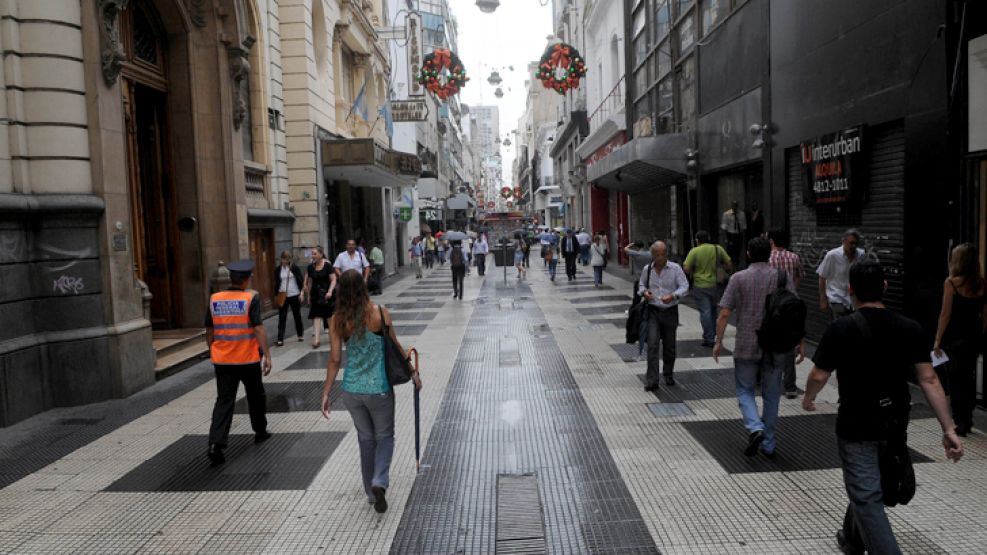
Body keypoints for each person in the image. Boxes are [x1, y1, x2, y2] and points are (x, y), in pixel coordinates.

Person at [803, 260, 964, 554]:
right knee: (870, 484)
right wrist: (948, 428)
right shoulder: (910, 328)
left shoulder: (840, 328)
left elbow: (818, 375)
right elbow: (929, 379)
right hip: (895, 421)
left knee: (866, 495)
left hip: (856, 423)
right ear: (885, 288)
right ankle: (853, 539)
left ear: (850, 290)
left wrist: (808, 398)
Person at [320, 270, 422, 514]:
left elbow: (334, 359)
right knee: (385, 436)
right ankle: (380, 481)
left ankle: (370, 492)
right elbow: (396, 346)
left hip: (352, 391)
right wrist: (413, 373)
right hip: (380, 390)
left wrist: (326, 393)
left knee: (365, 439)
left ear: (341, 292)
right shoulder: (380, 313)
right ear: (363, 288)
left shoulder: (336, 320)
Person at [714, 237, 804, 458]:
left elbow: (725, 312)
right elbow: (796, 312)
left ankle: (755, 427)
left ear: (748, 254)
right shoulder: (782, 277)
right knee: (772, 394)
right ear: (769, 254)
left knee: (744, 389)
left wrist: (718, 341)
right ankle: (769, 444)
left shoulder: (738, 278)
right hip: (776, 345)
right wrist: (800, 341)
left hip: (746, 343)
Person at [204, 260, 272, 466]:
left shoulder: (215, 299)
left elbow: (209, 329)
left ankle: (216, 444)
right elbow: (258, 328)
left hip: (223, 360)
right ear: (246, 279)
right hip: (247, 358)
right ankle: (260, 431)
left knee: (224, 400)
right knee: (256, 395)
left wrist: (212, 349)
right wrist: (267, 355)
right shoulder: (251, 297)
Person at [933, 243, 987, 437]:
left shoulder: (952, 283)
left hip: (954, 338)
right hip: (973, 337)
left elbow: (945, 314)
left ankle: (960, 421)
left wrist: (937, 340)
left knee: (955, 379)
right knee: (969, 377)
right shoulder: (981, 283)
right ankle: (969, 417)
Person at [639, 241, 689, 391]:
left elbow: (685, 286)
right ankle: (652, 380)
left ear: (666, 254)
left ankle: (668, 374)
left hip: (670, 311)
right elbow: (641, 285)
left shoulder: (675, 269)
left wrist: (673, 296)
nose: (660, 258)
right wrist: (644, 293)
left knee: (669, 346)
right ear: (652, 255)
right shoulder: (647, 269)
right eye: (657, 255)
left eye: (663, 254)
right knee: (653, 345)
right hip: (653, 310)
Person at [766, 229, 805, 399]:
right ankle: (790, 386)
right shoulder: (794, 257)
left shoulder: (767, 259)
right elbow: (799, 276)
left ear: (771, 241)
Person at [683, 230, 732, 347]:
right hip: (714, 284)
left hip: (700, 285)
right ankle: (714, 333)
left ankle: (709, 338)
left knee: (705, 312)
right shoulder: (717, 248)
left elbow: (686, 269)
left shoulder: (694, 251)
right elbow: (728, 263)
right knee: (713, 310)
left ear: (697, 240)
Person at [817, 229, 864, 319]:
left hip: (854, 299)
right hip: (836, 297)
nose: (853, 246)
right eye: (851, 243)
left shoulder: (861, 255)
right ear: (843, 241)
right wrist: (823, 299)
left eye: (856, 243)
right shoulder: (832, 255)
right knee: (840, 323)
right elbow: (822, 277)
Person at [304, 246, 336, 349]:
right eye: (312, 254)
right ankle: (316, 340)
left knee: (329, 317)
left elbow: (333, 279)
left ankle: (333, 337)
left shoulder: (327, 266)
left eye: (314, 253)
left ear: (321, 254)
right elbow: (309, 282)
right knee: (316, 316)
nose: (312, 256)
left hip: (327, 295)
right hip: (315, 295)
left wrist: (330, 291)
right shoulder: (310, 267)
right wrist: (308, 295)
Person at [273, 250, 305, 346]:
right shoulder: (278, 269)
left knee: (297, 315)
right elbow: (277, 282)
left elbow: (301, 281)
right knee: (282, 317)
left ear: (289, 259)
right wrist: (276, 294)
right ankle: (280, 339)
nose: (284, 261)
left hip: (294, 294)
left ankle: (300, 334)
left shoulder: (294, 268)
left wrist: (301, 293)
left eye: (287, 259)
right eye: (283, 259)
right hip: (283, 295)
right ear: (281, 259)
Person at [720, 201, 747, 265]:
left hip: (738, 234)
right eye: (733, 205)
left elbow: (744, 226)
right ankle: (730, 265)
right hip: (730, 234)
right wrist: (726, 238)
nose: (735, 207)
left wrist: (743, 237)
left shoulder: (741, 214)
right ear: (731, 206)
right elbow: (724, 227)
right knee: (730, 251)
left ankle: (737, 264)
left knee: (738, 251)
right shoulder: (726, 214)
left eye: (736, 205)